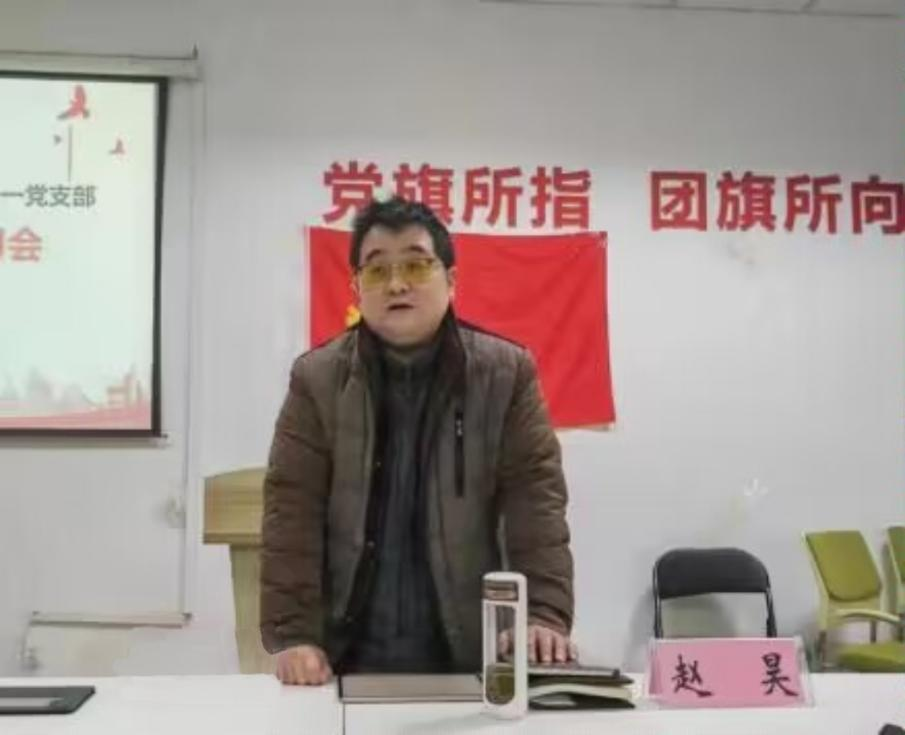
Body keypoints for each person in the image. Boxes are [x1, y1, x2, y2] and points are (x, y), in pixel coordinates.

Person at [260, 196, 575, 686]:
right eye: (377, 270)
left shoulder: (505, 374)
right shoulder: (317, 379)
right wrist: (293, 634)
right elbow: (292, 509)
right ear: (356, 288)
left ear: (451, 280)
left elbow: (536, 502)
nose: (397, 284)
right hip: (346, 659)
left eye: (415, 265)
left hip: (473, 657)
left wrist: (544, 615)